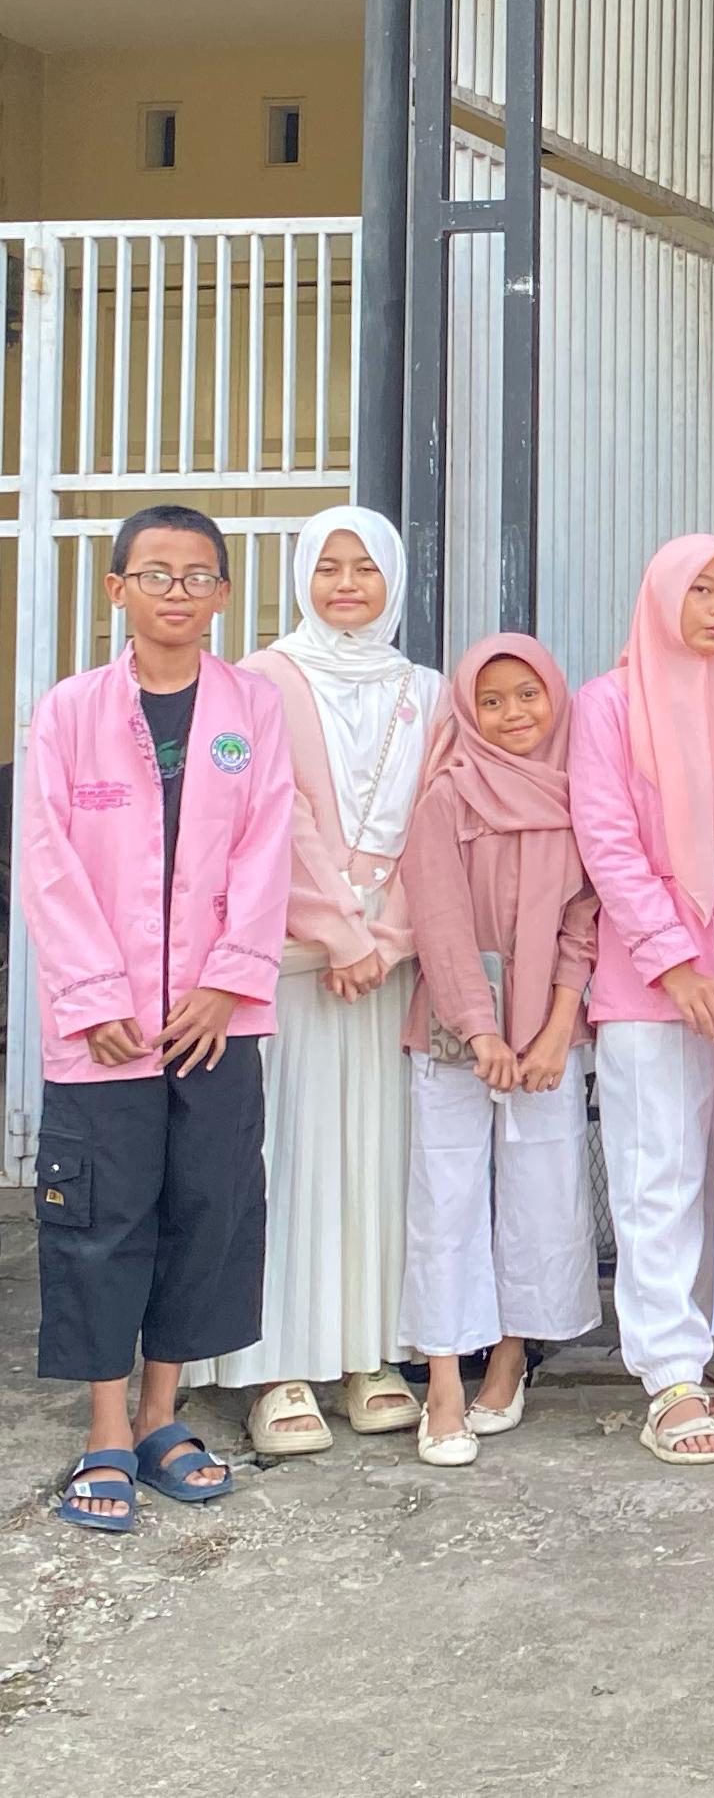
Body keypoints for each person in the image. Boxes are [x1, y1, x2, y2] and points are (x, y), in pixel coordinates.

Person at [21, 505, 294, 1530]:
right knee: (101, 1217)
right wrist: (94, 996)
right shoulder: (69, 712)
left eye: (196, 576)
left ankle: (160, 1414)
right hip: (106, 1028)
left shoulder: (251, 708)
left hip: (212, 1020)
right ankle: (100, 1429)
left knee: (206, 1209)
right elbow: (46, 862)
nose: (175, 592)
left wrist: (230, 979)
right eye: (155, 573)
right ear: (116, 589)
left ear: (223, 593)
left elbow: (270, 845)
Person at [203, 505, 445, 1457]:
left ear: (393, 579)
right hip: (297, 963)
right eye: (328, 566)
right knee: (288, 1153)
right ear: (302, 576)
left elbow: (441, 818)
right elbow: (276, 820)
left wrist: (389, 937)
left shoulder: (427, 687)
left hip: (389, 965)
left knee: (379, 1161)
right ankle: (276, 1364)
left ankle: (366, 1355)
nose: (346, 584)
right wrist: (344, 932)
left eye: (365, 567)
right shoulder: (263, 678)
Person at [570, 536, 714, 1465]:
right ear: (661, 595)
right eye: (702, 589)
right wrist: (675, 964)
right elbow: (608, 843)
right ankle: (667, 1376)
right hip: (655, 981)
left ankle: (692, 1344)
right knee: (657, 1169)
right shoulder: (609, 703)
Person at [397, 635, 602, 1468]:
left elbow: (582, 924)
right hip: (456, 1029)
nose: (513, 714)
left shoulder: (576, 795)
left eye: (529, 695)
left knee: (542, 1187)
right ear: (466, 711)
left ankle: (510, 1358)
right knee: (444, 1196)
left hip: (549, 1030)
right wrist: (482, 1030)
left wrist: (555, 1029)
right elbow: (439, 922)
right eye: (492, 700)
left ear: (556, 699)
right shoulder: (447, 796)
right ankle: (443, 1377)